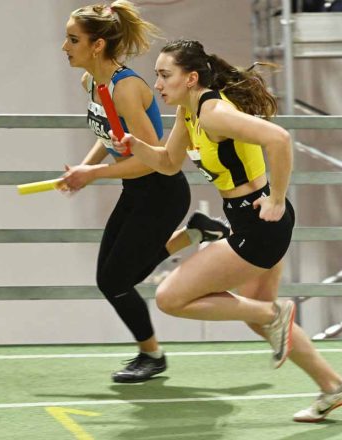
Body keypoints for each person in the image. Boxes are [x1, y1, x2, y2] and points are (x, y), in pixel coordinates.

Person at [111, 39, 342, 422]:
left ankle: (275, 313)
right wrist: (134, 146)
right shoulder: (188, 113)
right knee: (259, 320)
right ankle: (333, 386)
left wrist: (277, 198)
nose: (156, 84)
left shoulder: (213, 113)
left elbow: (279, 139)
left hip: (259, 223)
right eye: (156, 75)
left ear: (191, 78)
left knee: (170, 297)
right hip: (249, 221)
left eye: (164, 75)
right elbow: (169, 162)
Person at [60, 3, 229, 383]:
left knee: (114, 281)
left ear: (97, 45)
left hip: (160, 191)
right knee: (114, 276)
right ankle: (196, 232)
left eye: (73, 39)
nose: (64, 47)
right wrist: (83, 168)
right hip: (136, 190)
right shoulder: (91, 82)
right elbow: (110, 136)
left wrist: (93, 174)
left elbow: (153, 159)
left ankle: (152, 356)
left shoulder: (126, 89)